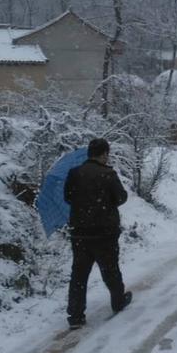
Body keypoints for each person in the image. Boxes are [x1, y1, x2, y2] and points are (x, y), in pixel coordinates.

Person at [64, 137, 132, 328]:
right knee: (110, 268)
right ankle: (118, 301)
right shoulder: (108, 174)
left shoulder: (74, 173)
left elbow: (68, 197)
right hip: (104, 232)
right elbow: (121, 197)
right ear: (104, 154)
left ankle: (76, 315)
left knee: (79, 273)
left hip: (79, 233)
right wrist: (104, 204)